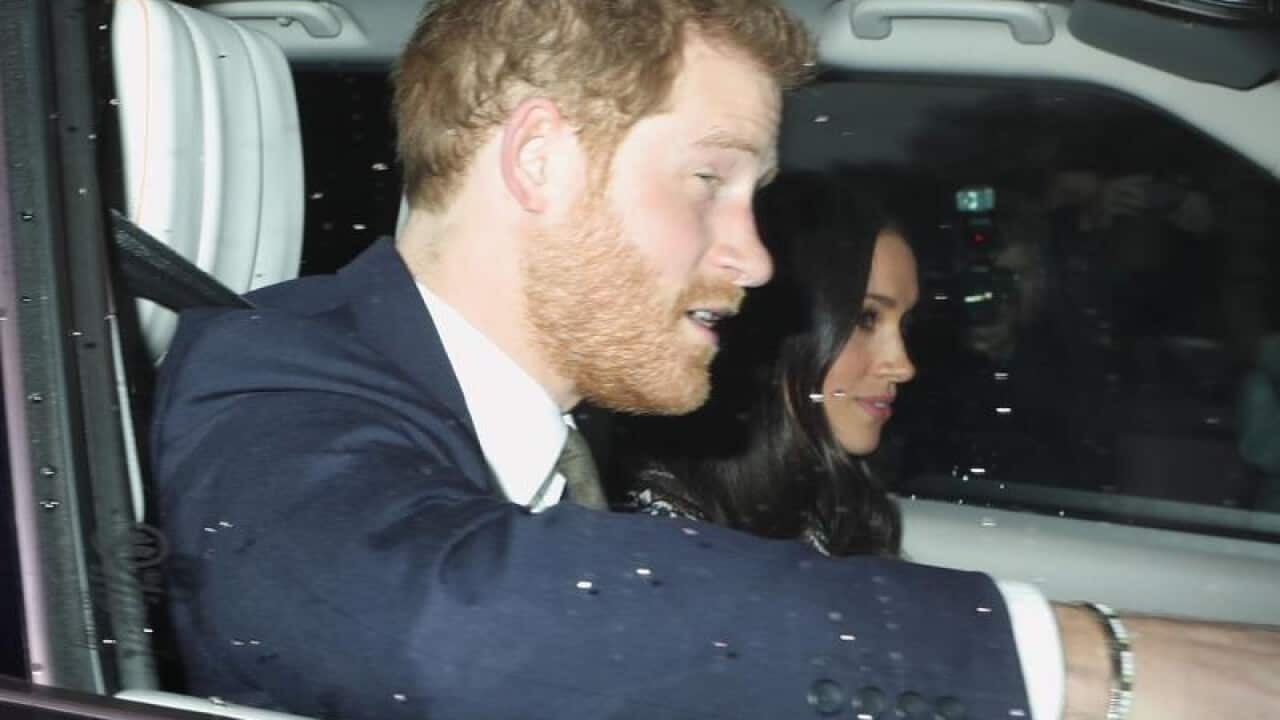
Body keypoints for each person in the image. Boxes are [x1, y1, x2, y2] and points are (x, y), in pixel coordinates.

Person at [150, 1, 1280, 719]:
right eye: (708, 182)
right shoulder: (266, 364)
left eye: (756, 199)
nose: (749, 259)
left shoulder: (540, 425)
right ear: (539, 161)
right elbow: (416, 620)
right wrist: (1092, 665)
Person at [615, 172, 914, 558]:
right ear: (780, 327)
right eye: (866, 320)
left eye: (905, 325)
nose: (903, 366)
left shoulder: (833, 504)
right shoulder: (659, 536)